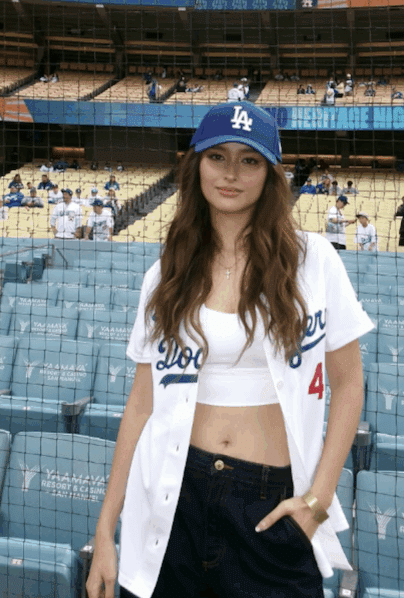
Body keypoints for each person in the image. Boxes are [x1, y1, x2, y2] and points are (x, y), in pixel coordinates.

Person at [86, 101, 371, 598]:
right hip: (173, 495)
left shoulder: (314, 262)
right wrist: (105, 530)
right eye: (217, 157)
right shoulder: (166, 273)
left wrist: (318, 500)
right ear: (195, 163)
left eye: (250, 160)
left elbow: (349, 385)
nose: (231, 174)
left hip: (267, 503)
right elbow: (140, 404)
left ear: (271, 174)